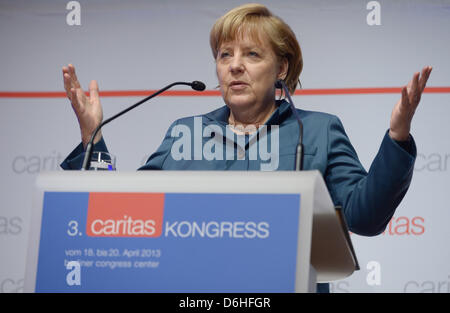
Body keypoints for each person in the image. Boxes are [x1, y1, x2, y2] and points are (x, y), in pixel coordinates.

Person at [60, 4, 432, 292]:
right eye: (225, 55)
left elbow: (364, 217)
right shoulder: (185, 133)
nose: (235, 66)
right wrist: (93, 138)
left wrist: (397, 136)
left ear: (281, 67)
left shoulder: (318, 130)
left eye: (252, 54)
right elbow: (126, 214)